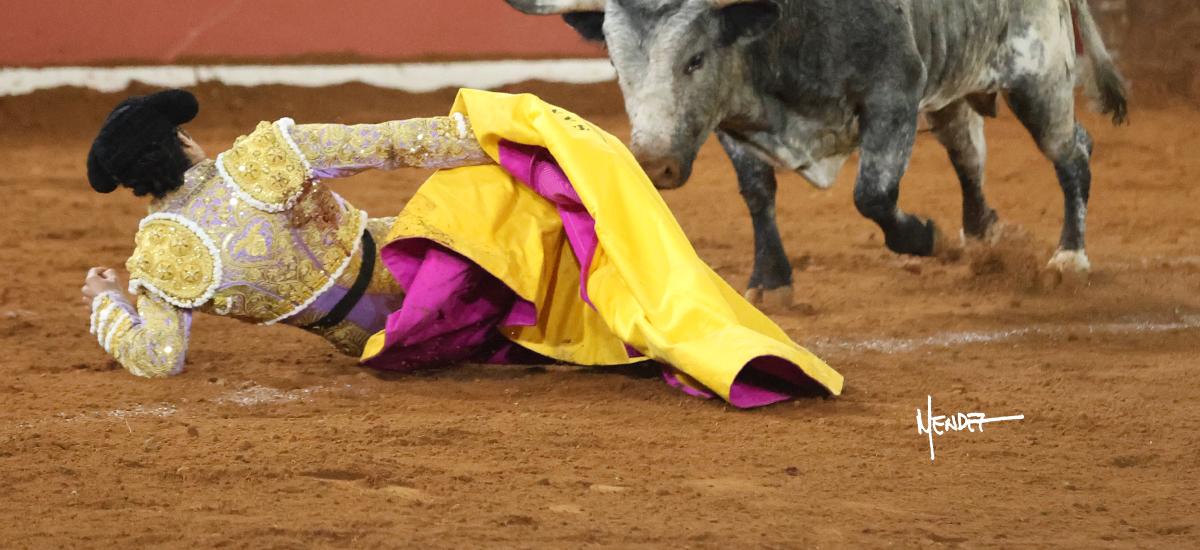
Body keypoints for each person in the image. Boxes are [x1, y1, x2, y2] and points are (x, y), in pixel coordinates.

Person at [83, 88, 842, 406]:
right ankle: (632, 314)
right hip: (444, 285)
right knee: (503, 196)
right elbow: (395, 145)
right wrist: (517, 140)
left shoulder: (161, 258)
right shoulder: (263, 158)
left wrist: (110, 306)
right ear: (182, 140)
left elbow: (160, 358)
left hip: (395, 341)